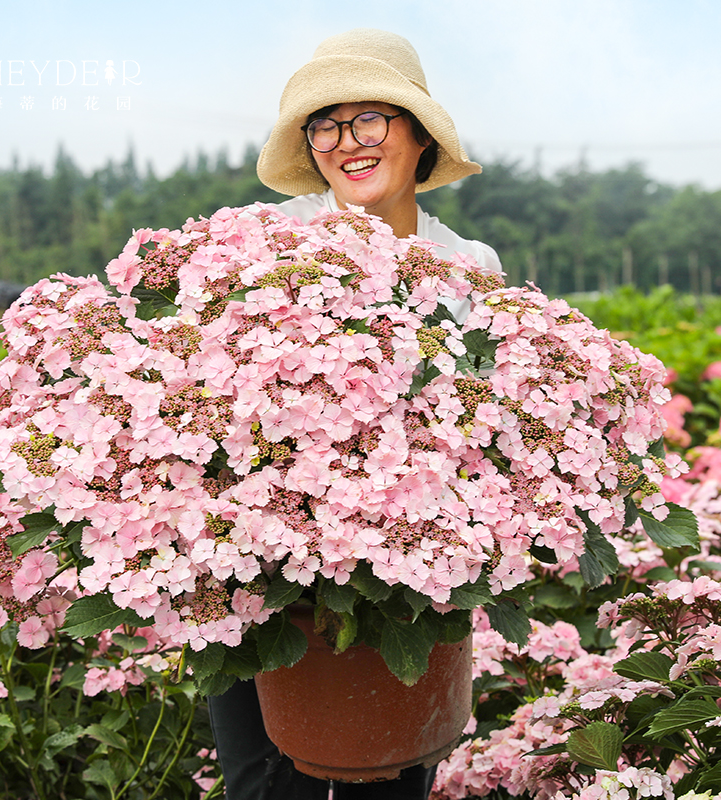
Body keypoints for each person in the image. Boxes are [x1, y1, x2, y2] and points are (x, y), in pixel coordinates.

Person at [207, 27, 501, 800]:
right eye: (327, 125)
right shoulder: (265, 243)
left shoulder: (471, 267)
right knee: (263, 780)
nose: (348, 143)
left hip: (403, 580)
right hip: (262, 572)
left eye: (371, 118)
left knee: (394, 778)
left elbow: (493, 430)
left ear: (417, 135)